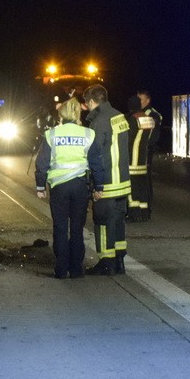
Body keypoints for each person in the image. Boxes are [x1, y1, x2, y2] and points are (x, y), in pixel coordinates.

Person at [34, 98, 105, 279]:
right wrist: (99, 186)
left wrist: (40, 185)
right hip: (80, 186)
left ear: (61, 114)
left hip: (59, 187)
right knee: (76, 228)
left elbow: (42, 163)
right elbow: (96, 163)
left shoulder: (52, 134)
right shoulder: (88, 134)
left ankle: (61, 268)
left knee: (59, 226)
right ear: (77, 114)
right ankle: (76, 269)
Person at [82, 84, 131, 275]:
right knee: (118, 222)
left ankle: (106, 262)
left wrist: (94, 183)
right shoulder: (119, 116)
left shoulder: (99, 121)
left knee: (102, 223)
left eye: (87, 104)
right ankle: (119, 261)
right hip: (123, 182)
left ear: (93, 102)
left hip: (108, 182)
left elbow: (97, 155)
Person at [125, 95, 155, 222]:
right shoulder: (149, 119)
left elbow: (128, 139)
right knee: (143, 188)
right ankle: (144, 213)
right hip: (143, 160)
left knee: (132, 189)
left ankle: (134, 214)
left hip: (132, 161)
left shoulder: (133, 119)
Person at [136, 90, 162, 213]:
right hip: (138, 150)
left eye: (140, 99)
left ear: (147, 100)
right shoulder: (138, 112)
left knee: (145, 177)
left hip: (146, 151)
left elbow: (152, 136)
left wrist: (146, 147)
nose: (138, 102)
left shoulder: (152, 114)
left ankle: (147, 204)